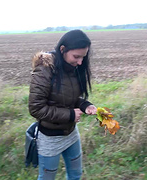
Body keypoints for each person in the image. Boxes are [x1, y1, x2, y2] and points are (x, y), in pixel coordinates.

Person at [28, 29, 97, 180]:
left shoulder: (73, 68)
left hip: (71, 134)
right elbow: (36, 108)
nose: (80, 62)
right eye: (76, 57)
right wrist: (71, 114)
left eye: (83, 58)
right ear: (62, 49)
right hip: (50, 138)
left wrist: (85, 105)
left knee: (75, 175)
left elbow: (70, 98)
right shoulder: (45, 69)